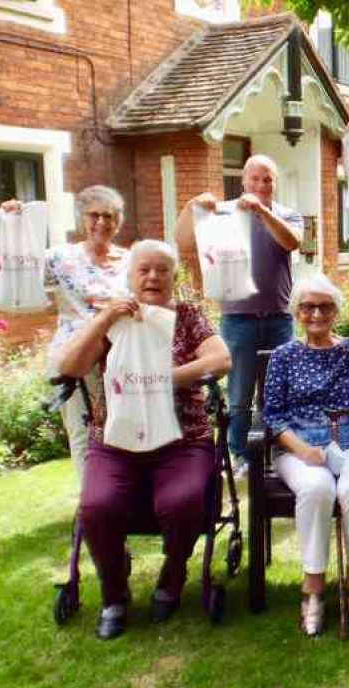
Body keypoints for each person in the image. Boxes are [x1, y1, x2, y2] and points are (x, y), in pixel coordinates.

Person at [57, 240, 231, 640]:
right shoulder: (110, 316)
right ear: (131, 275)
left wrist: (163, 380)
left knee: (184, 501)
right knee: (96, 506)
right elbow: (69, 366)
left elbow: (221, 360)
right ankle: (114, 596)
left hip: (181, 438)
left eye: (162, 270)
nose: (153, 277)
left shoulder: (187, 316)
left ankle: (173, 575)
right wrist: (103, 322)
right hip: (116, 440)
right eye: (144, 270)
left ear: (173, 276)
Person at [263, 274, 349, 637]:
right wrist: (303, 450)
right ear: (297, 312)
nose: (316, 313)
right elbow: (273, 416)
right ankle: (312, 586)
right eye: (308, 306)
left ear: (336, 311)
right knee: (316, 490)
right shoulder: (284, 356)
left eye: (325, 306)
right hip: (299, 445)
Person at [174, 154, 304, 478]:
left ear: (275, 182)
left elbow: (292, 241)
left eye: (268, 179)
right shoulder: (225, 213)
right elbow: (183, 242)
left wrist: (261, 212)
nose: (261, 185)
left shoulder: (287, 214)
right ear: (243, 180)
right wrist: (192, 206)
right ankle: (241, 456)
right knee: (239, 396)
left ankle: (277, 450)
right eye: (255, 178)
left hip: (278, 318)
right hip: (238, 319)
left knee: (277, 392)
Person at [2, 186, 131, 481]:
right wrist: (14, 223)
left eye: (109, 216)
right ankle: (91, 505)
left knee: (120, 428)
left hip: (120, 357)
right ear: (82, 219)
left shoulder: (130, 260)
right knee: (84, 431)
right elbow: (19, 265)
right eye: (94, 215)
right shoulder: (61, 257)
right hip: (76, 356)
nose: (101, 222)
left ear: (118, 221)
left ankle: (121, 499)